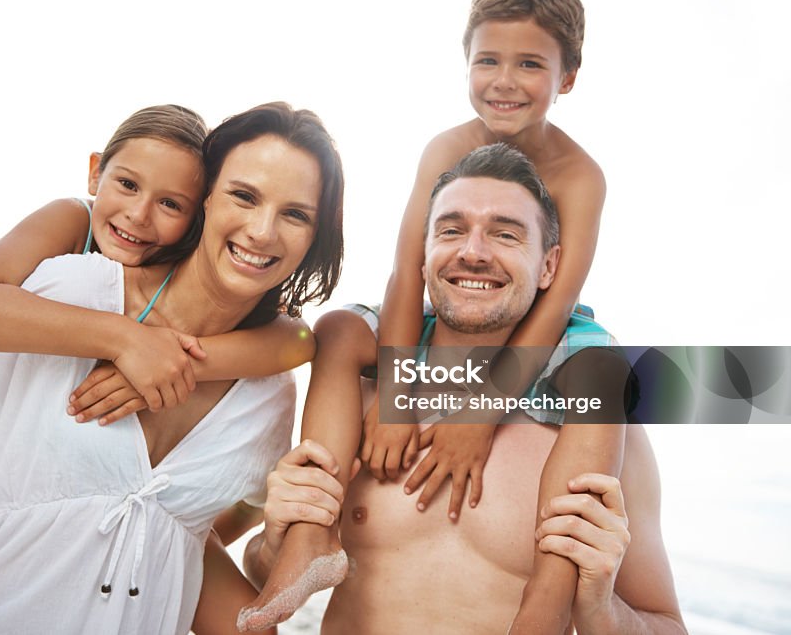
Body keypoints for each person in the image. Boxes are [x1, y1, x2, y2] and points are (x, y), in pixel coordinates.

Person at [0, 103, 339, 635]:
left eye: (296, 214)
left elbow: (295, 350)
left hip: (141, 557)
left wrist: (162, 536)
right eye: (244, 196)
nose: (261, 230)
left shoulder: (276, 371)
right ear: (207, 198)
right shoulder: (68, 271)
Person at [240, 0, 624, 633]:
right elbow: (405, 271)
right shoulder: (446, 148)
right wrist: (397, 393)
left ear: (567, 78)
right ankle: (310, 534)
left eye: (530, 63)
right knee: (336, 329)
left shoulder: (581, 174)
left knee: (607, 378)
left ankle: (548, 595)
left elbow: (555, 301)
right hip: (448, 322)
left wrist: (480, 409)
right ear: (467, 63)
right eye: (488, 60)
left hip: (547, 331)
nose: (504, 80)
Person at [244, 144, 685, 634]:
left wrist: (600, 607)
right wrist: (274, 539)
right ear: (424, 254)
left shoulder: (601, 430)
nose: (473, 253)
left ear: (549, 266)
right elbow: (259, 571)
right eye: (451, 231)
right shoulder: (359, 397)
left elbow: (667, 625)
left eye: (505, 234)